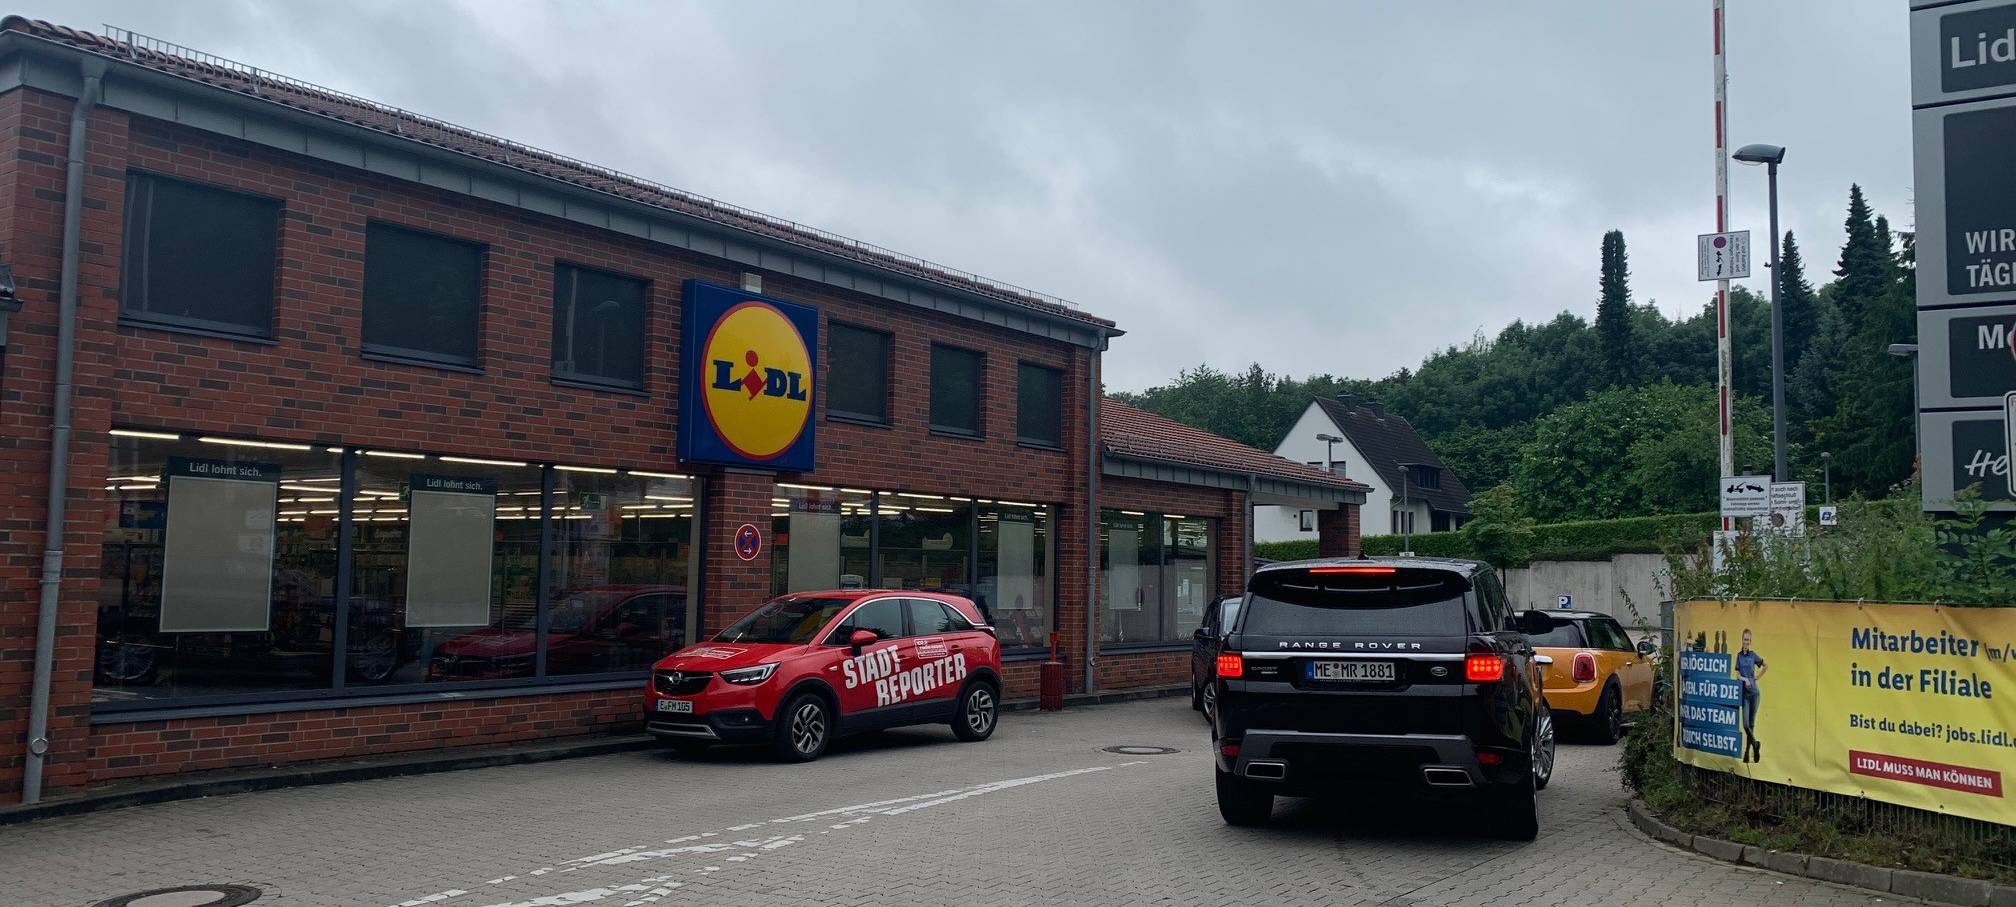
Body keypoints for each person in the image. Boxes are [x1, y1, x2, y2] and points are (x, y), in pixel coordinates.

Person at [1736, 629, 1767, 763]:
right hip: (1744, 694)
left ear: (1750, 642)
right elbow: (1737, 674)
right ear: (1741, 640)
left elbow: (1765, 665)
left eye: (1748, 640)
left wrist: (1757, 678)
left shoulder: (1753, 655)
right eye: (1744, 639)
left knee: (1752, 724)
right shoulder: (1739, 656)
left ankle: (1747, 753)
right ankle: (1755, 744)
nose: (1746, 642)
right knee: (1746, 725)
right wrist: (1745, 679)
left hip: (1754, 693)